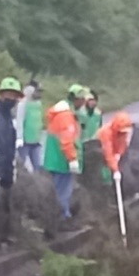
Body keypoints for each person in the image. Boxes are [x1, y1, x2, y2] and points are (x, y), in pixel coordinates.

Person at [43, 83, 86, 219]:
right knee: (62, 192)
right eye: (82, 99)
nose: (84, 102)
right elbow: (67, 141)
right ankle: (63, 218)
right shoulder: (66, 117)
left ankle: (59, 216)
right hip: (62, 161)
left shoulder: (60, 115)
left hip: (55, 159)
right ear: (76, 99)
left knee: (57, 190)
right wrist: (72, 159)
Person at [97, 111, 135, 187]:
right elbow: (108, 152)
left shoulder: (123, 132)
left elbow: (122, 143)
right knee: (106, 176)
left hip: (115, 154)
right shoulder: (106, 133)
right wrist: (115, 169)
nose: (124, 133)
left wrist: (119, 154)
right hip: (102, 155)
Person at [18, 81, 45, 172]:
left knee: (37, 166)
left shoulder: (38, 104)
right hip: (25, 141)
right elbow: (19, 121)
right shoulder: (22, 104)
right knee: (22, 165)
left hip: (36, 141)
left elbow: (39, 121)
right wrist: (19, 137)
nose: (39, 94)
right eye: (37, 91)